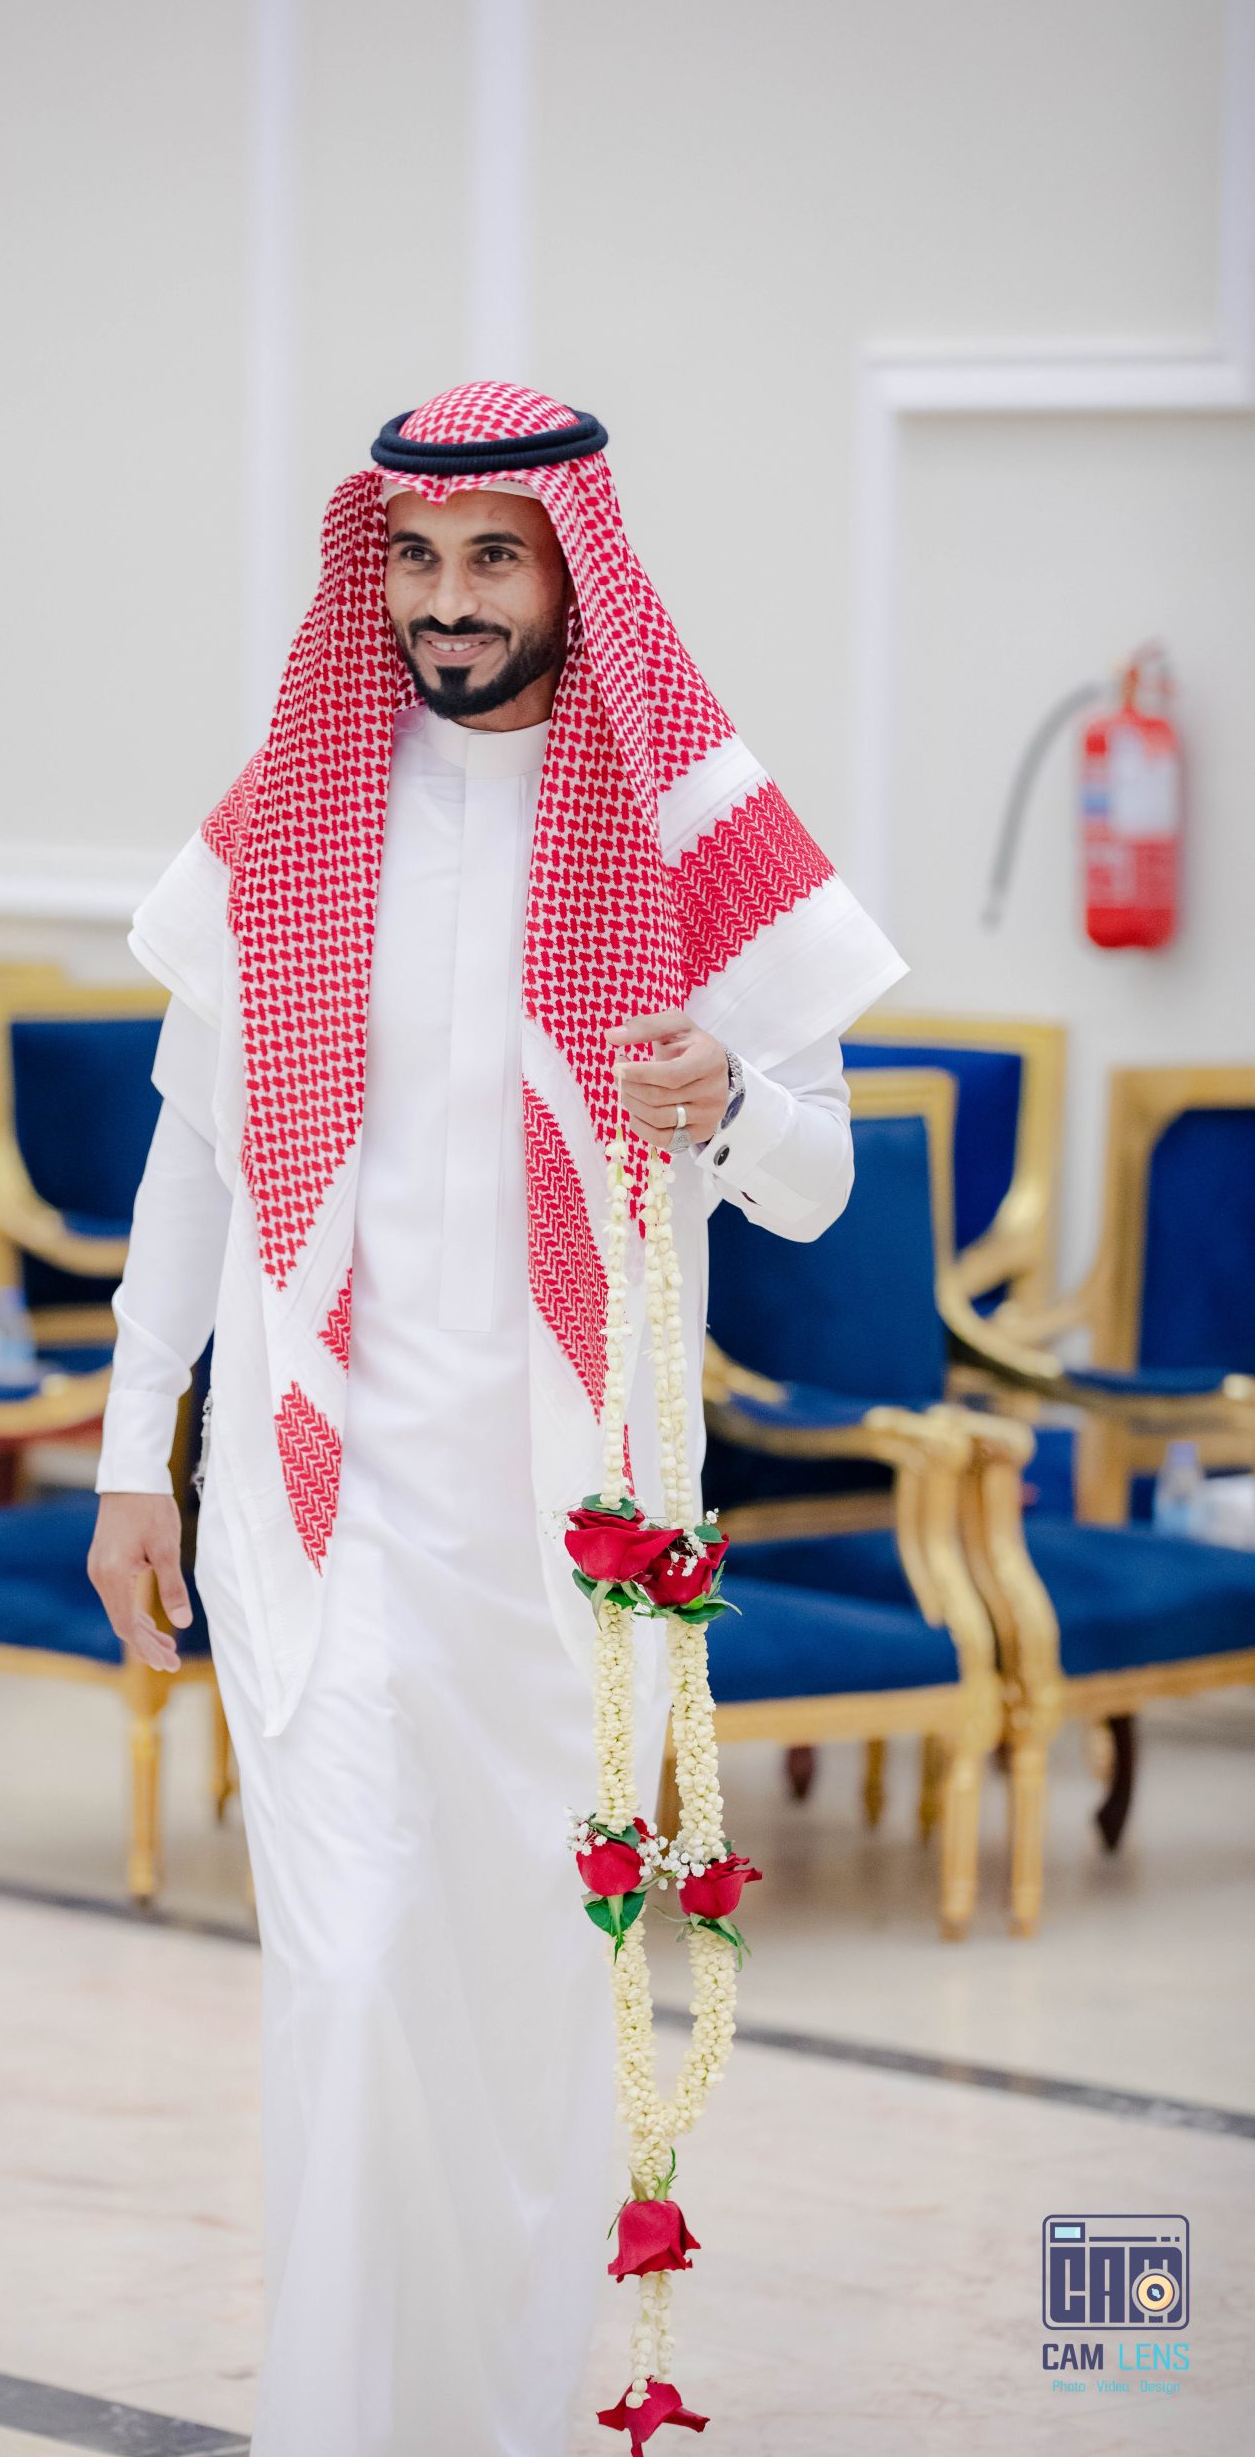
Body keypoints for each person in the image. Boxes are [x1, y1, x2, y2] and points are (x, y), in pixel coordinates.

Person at [87, 382, 904, 2456]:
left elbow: (819, 1177)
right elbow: (190, 1154)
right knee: (350, 1979)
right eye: (410, 556)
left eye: (488, 558)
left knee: (529, 2004)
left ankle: (505, 2415)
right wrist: (129, 1449)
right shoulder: (297, 805)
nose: (442, 600)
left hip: (566, 1526)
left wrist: (727, 1098)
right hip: (319, 1508)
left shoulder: (682, 825)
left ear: (570, 572)